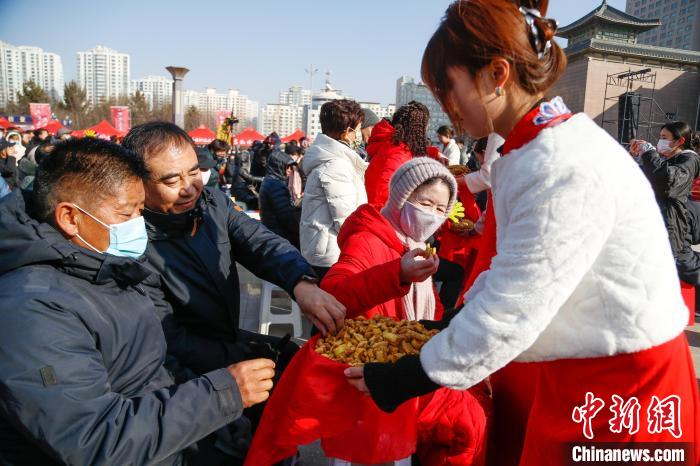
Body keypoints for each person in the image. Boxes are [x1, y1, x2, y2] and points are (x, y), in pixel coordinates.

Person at [345, 2, 700, 465]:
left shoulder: (560, 162)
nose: (447, 108)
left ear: (497, 74)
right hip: (577, 372)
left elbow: (514, 306)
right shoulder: (529, 149)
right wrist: (445, 329)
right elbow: (508, 272)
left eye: (449, 88)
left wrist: (409, 374)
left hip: (623, 391)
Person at [0, 138, 275, 465]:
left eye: (140, 211)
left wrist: (219, 418)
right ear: (71, 218)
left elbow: (154, 365)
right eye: (126, 213)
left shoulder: (107, 267)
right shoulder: (31, 310)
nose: (137, 225)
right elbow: (94, 439)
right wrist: (222, 395)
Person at [121, 122, 346, 377]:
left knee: (295, 358)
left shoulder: (213, 204)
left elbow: (259, 241)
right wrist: (240, 364)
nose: (189, 187)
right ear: (138, 182)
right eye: (173, 180)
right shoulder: (131, 245)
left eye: (194, 172)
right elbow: (169, 339)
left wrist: (301, 282)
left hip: (225, 336)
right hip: (183, 369)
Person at [323, 157, 490, 465]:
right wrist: (397, 274)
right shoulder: (367, 238)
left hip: (399, 366)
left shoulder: (412, 243)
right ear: (402, 198)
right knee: (466, 423)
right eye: (426, 203)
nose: (432, 216)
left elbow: (430, 317)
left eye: (441, 210)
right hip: (367, 372)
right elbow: (333, 295)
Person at [299, 99, 367, 279]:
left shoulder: (333, 160)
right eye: (358, 129)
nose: (359, 134)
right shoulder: (336, 165)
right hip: (331, 255)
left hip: (325, 250)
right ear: (347, 133)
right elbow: (346, 219)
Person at [631, 123, 700, 285]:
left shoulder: (689, 160)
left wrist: (649, 154)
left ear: (680, 141)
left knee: (684, 266)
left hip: (675, 223)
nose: (659, 141)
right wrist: (637, 157)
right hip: (656, 223)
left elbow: (667, 181)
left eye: (664, 138)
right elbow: (642, 180)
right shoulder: (665, 160)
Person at [364, 101, 430, 207]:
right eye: (425, 126)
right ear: (416, 128)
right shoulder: (398, 153)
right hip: (382, 214)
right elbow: (381, 193)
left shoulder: (391, 143)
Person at [259, 150, 301, 249]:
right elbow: (286, 216)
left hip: (274, 232)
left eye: (291, 167)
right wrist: (299, 231)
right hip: (281, 235)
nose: (290, 170)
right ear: (278, 166)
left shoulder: (270, 180)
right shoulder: (275, 185)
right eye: (287, 167)